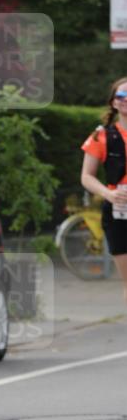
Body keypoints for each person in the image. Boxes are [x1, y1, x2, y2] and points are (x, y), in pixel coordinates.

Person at [80, 76, 127, 301]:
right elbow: (86, 177)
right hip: (119, 212)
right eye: (121, 96)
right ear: (113, 103)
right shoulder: (101, 136)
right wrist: (109, 193)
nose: (125, 100)